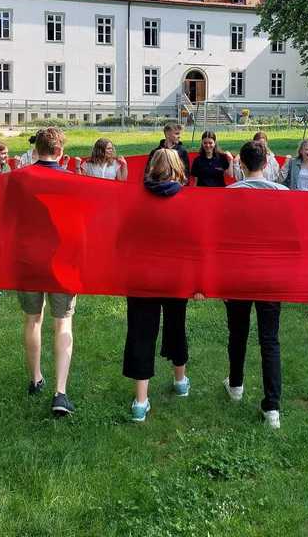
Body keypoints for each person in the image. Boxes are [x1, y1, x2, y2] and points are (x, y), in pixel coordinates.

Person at [124, 149, 194, 422]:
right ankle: (180, 381)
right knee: (176, 325)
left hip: (142, 276)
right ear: (178, 169)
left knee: (141, 332)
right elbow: (194, 243)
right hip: (175, 276)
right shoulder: (187, 202)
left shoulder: (135, 200)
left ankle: (141, 401)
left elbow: (123, 238)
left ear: (152, 168)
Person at [224, 140, 286, 429]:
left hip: (238, 273)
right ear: (265, 164)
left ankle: (236, 385)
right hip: (271, 274)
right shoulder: (284, 195)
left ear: (242, 165)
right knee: (269, 339)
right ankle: (272, 407)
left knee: (238, 333)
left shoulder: (229, 195)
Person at [16, 127, 78, 415]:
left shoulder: (19, 179)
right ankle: (60, 392)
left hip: (28, 258)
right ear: (60, 151)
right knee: (63, 322)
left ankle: (35, 378)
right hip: (61, 260)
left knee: (32, 319)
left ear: (37, 148)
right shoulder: (70, 181)